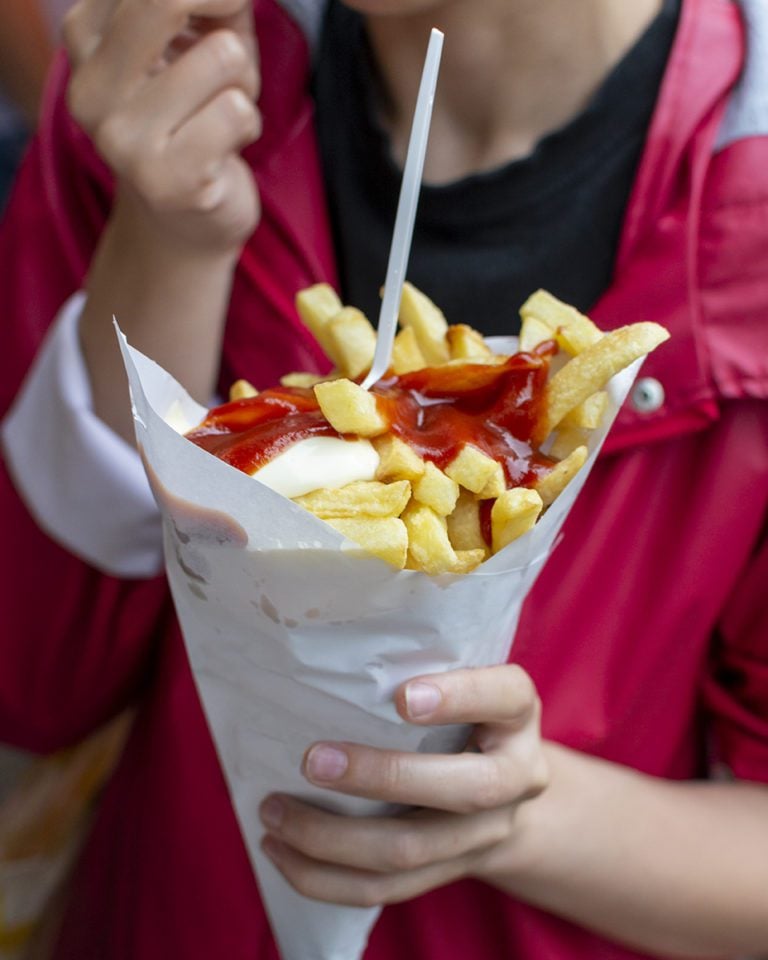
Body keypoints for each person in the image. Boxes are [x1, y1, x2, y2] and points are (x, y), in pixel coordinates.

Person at [1, 0, 767, 957]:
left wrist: (519, 816)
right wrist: (168, 240)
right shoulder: (160, 74)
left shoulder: (750, 210)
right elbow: (36, 681)